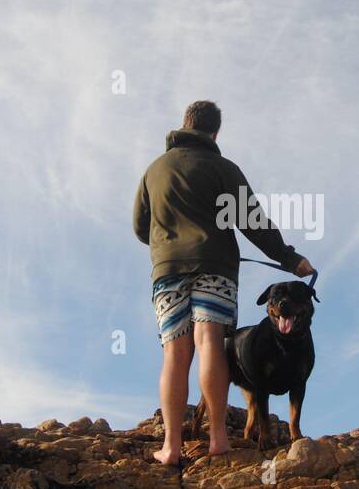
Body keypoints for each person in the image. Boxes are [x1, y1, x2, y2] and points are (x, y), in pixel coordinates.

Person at [133, 100, 314, 466]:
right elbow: (253, 222)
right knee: (210, 343)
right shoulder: (223, 169)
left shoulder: (155, 170)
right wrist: (290, 259)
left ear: (184, 124)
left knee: (174, 353)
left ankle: (171, 447)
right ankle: (218, 439)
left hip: (167, 269)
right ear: (215, 132)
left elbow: (140, 227)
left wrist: (167, 241)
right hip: (215, 268)